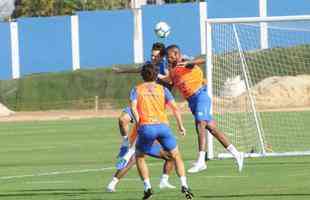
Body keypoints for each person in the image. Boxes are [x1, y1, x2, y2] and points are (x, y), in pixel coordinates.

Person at [165, 44, 244, 173]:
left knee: (200, 124)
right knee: (212, 128)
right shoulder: (173, 70)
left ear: (177, 54)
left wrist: (190, 62)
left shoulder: (184, 62)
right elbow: (171, 84)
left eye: (170, 56)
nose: (168, 59)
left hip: (201, 95)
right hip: (192, 102)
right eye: (167, 57)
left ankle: (201, 161)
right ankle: (237, 154)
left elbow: (202, 60)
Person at [130, 63, 194, 200]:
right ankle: (185, 185)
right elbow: (175, 108)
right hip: (163, 127)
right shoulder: (163, 89)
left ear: (142, 75)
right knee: (176, 156)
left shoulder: (136, 89)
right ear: (156, 75)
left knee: (140, 157)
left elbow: (134, 108)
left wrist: (138, 122)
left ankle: (147, 188)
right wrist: (181, 126)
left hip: (147, 126)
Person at [106, 123, 176, 192]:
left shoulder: (159, 117)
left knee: (170, 156)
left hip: (151, 143)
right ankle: (112, 183)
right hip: (138, 142)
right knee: (132, 160)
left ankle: (164, 181)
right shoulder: (144, 117)